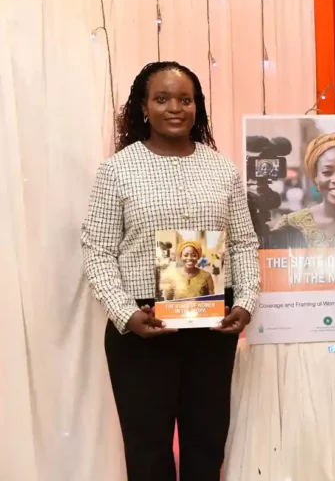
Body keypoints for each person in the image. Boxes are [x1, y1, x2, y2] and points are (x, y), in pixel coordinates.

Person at [81, 61, 260, 481]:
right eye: (162, 99)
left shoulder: (222, 168)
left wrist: (247, 301)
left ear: (197, 106)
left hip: (212, 323)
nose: (175, 108)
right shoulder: (117, 170)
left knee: (207, 443)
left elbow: (245, 242)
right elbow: (98, 250)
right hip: (143, 325)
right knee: (148, 451)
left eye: (185, 99)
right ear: (144, 107)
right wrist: (126, 314)